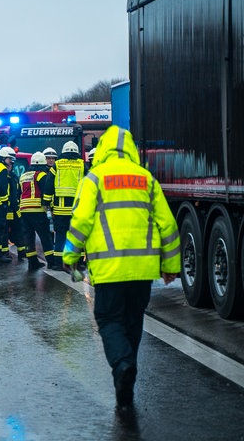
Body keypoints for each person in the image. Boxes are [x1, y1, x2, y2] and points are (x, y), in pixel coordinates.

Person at [62, 126, 181, 408]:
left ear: (102, 149)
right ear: (129, 149)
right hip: (142, 272)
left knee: (109, 321)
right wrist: (171, 265)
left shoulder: (94, 179)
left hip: (109, 270)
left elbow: (81, 222)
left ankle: (123, 366)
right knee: (132, 324)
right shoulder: (146, 179)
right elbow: (168, 225)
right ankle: (125, 385)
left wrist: (70, 257)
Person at [43, 141, 85, 268]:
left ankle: (58, 264)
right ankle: (77, 263)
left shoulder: (57, 165)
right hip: (77, 210)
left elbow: (49, 185)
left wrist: (46, 202)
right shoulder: (82, 165)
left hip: (60, 210)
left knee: (60, 236)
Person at [19, 151, 55, 270]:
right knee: (45, 236)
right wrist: (49, 206)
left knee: (28, 237)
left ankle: (32, 262)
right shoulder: (41, 175)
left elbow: (19, 193)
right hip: (37, 210)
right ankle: (51, 262)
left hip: (24, 210)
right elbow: (46, 192)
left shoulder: (23, 175)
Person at [6, 162, 27, 261]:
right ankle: (5, 253)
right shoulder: (2, 176)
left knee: (19, 230)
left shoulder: (14, 177)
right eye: (7, 166)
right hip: (6, 209)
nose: (9, 167)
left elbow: (18, 192)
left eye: (10, 166)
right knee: (5, 232)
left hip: (15, 208)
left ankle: (22, 252)